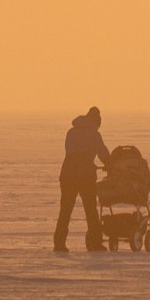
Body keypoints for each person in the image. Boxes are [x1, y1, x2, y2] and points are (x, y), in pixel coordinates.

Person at [54, 106, 110, 252]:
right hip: (85, 176)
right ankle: (95, 243)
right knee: (91, 210)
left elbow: (70, 151)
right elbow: (103, 153)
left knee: (65, 211)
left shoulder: (71, 132)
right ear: (96, 122)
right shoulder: (94, 135)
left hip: (67, 174)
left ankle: (59, 243)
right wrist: (110, 165)